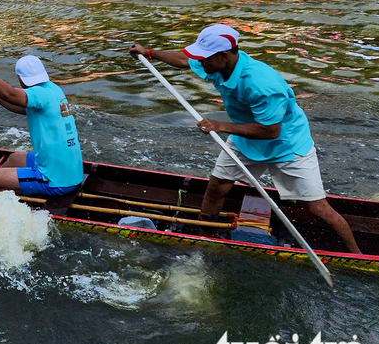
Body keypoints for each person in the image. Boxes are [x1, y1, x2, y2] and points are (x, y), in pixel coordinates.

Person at [129, 25, 360, 253]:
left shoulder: (262, 84)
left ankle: (356, 254)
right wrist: (149, 53)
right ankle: (205, 239)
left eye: (204, 58)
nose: (200, 63)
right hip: (245, 136)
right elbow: (183, 59)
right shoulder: (218, 65)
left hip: (287, 144)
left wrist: (220, 126)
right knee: (217, 186)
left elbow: (270, 131)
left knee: (317, 207)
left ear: (223, 56)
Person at [0, 51, 84, 198]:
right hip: (69, 171)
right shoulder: (53, 89)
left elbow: (10, 94)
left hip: (56, 180)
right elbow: (20, 106)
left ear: (20, 78)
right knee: (14, 159)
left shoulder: (38, 94)